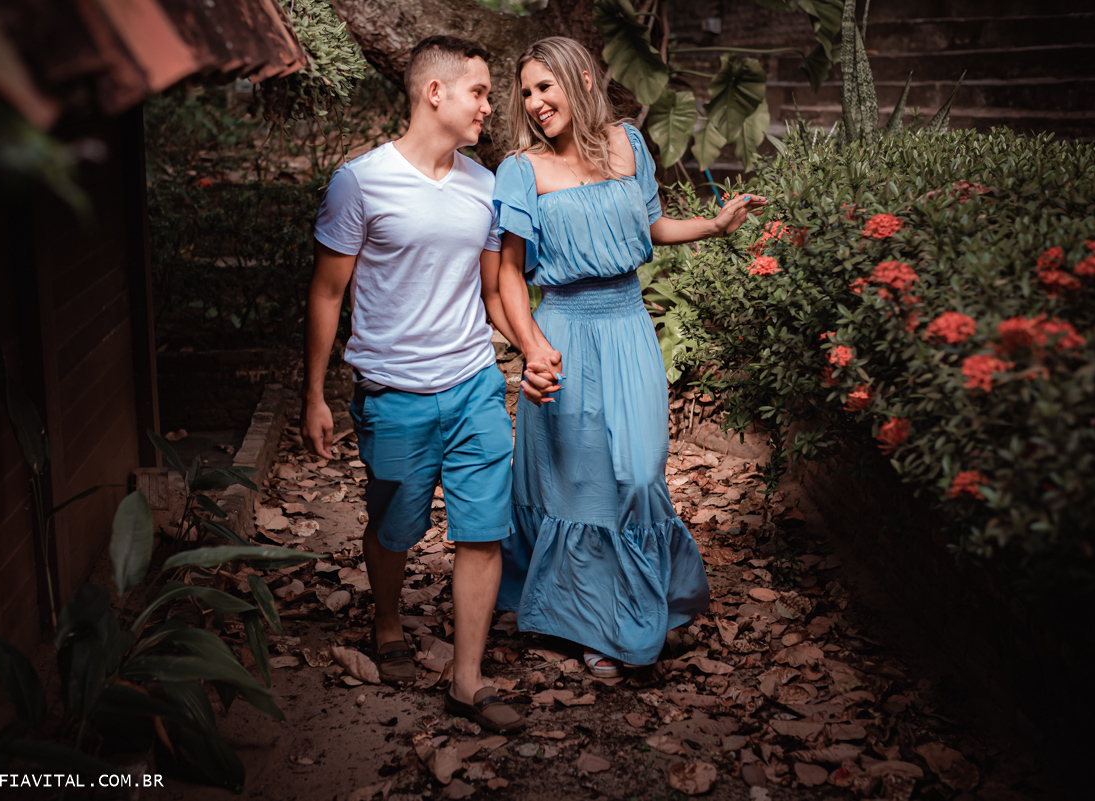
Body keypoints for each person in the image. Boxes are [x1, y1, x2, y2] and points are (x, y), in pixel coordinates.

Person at [493, 36, 767, 676]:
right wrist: (532, 347)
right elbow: (508, 274)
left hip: (628, 325)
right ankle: (600, 623)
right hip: (563, 332)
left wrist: (713, 226)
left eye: (545, 86)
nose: (534, 102)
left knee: (641, 473)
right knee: (583, 486)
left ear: (584, 80)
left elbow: (651, 228)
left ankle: (634, 603)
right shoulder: (521, 169)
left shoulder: (629, 144)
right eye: (526, 92)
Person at [301, 35, 525, 731]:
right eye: (479, 92)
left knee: (484, 528)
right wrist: (314, 394)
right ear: (436, 93)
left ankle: (467, 679)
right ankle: (389, 622)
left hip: (473, 382)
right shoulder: (360, 182)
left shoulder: (485, 187)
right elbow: (327, 293)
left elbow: (492, 294)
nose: (488, 106)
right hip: (393, 392)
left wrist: (534, 347)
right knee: (395, 527)